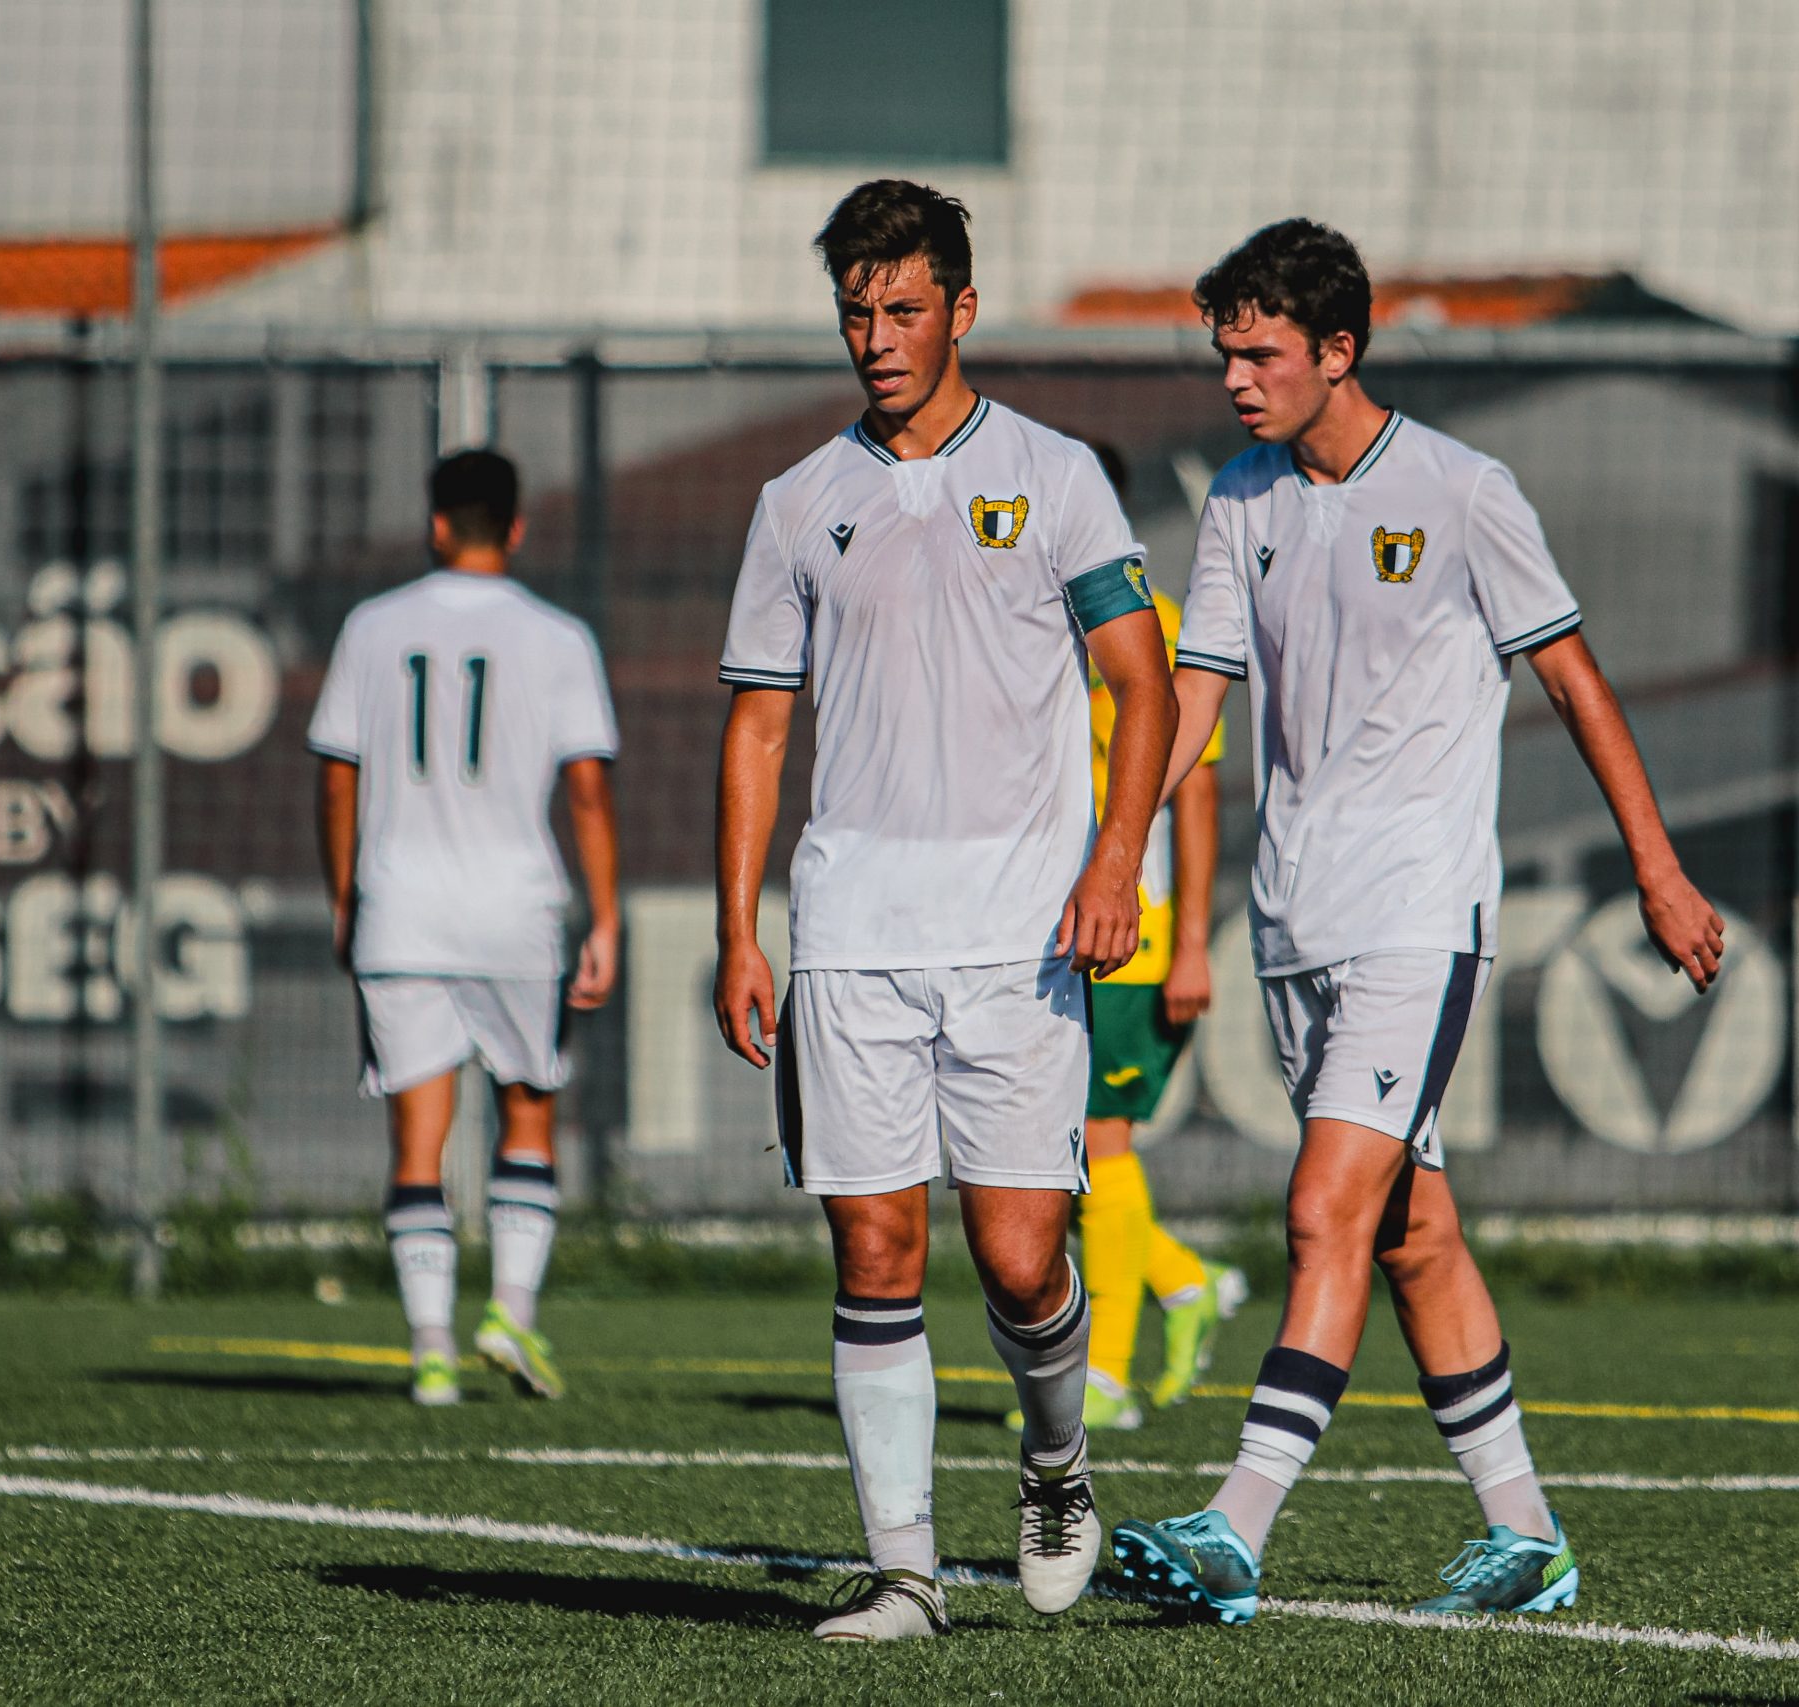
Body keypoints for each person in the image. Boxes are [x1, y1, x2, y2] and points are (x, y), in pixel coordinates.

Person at [1110, 220, 1725, 1623]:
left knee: (1325, 1205)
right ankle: (1528, 1532)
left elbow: (1571, 679)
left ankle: (1234, 1526)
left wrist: (1660, 869)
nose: (1236, 376)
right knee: (1411, 1233)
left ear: (1340, 350)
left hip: (1416, 913)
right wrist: (1108, 851)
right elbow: (1197, 701)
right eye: (1224, 350)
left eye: (1262, 351)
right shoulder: (1241, 502)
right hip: (1291, 919)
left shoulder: (1462, 489)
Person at [713, 180, 1175, 1641]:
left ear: (962, 310)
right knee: (874, 1251)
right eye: (856, 308)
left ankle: (1055, 1459)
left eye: (904, 306)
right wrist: (741, 926)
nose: (877, 334)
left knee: (1026, 1256)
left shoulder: (1052, 475)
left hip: (1023, 937)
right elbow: (758, 728)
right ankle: (905, 1571)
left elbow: (1145, 685)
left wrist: (1117, 861)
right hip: (852, 934)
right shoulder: (798, 501)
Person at [307, 447, 622, 1408]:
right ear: (517, 527)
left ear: (436, 523)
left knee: (418, 1135)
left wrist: (344, 894)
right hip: (515, 910)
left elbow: (335, 771)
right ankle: (511, 1314)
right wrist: (604, 915)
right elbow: (588, 791)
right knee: (530, 1110)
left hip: (400, 908)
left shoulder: (372, 626)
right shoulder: (559, 636)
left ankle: (432, 1348)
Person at [1055, 440, 1249, 1432]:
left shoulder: (1159, 628)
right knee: (1050, 1163)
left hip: (1138, 927)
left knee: (1098, 1140)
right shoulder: (1020, 621)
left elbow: (1198, 792)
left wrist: (1193, 946)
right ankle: (1184, 1283)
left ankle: (1105, 1376)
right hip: (1035, 931)